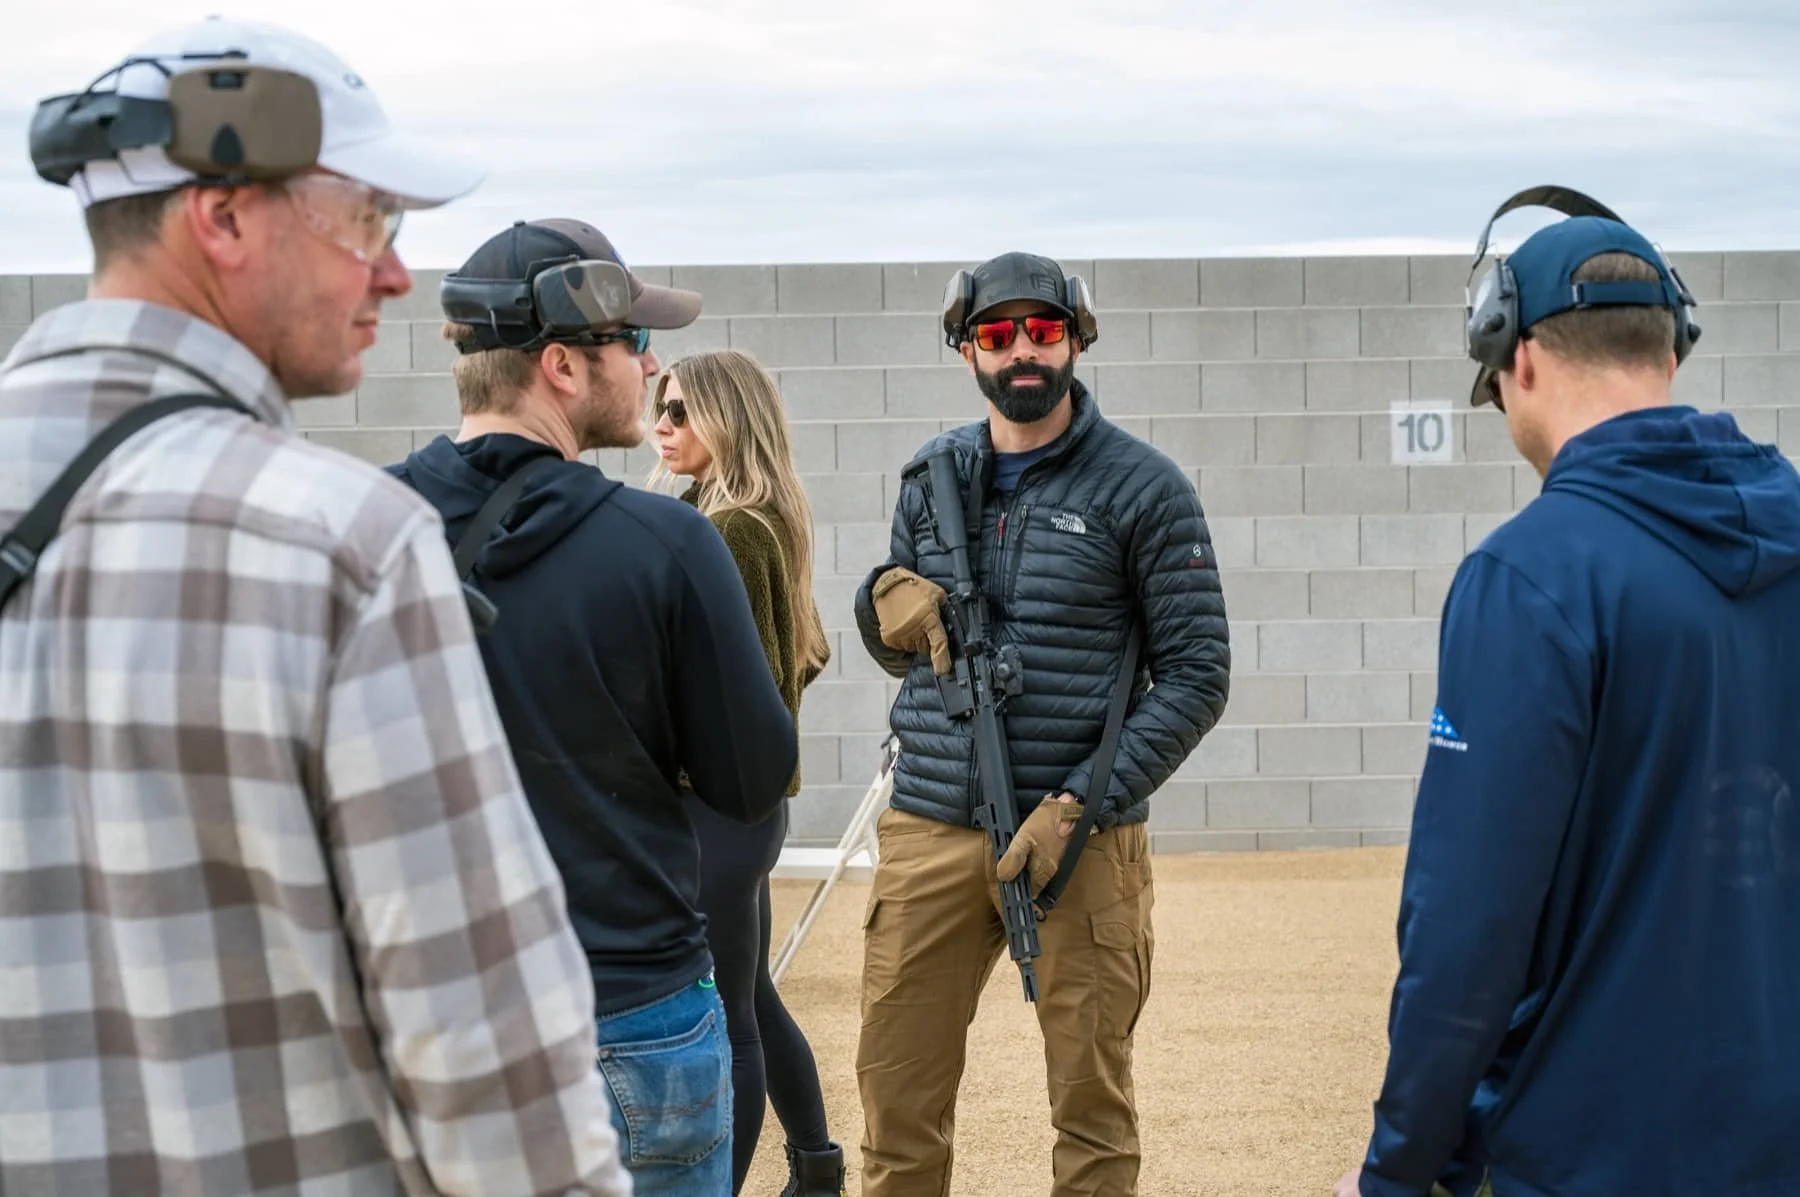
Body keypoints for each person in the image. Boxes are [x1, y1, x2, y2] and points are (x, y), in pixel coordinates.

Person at [0, 18, 633, 1197]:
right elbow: (488, 1054)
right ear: (224, 215)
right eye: (366, 219)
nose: (394, 272)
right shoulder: (339, 545)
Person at [1335, 196, 1800, 1197]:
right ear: (1672, 350)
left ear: (1520, 360)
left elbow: (1467, 930)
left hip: (1584, 1154)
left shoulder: (1531, 577)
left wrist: (1400, 1169)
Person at [384, 218, 799, 1196]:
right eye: (634, 342)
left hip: (428, 1018)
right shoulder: (669, 544)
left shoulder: (364, 525)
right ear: (563, 365)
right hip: (634, 1011)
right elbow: (751, 778)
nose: (651, 365)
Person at [851, 250, 1232, 1196]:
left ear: (1076, 338)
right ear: (966, 350)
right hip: (933, 823)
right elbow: (902, 636)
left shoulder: (1146, 489)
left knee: (1092, 1114)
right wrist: (880, 605)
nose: (1020, 349)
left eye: (1042, 330)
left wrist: (1079, 804)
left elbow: (1198, 674)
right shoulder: (930, 476)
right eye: (995, 333)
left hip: (1080, 839)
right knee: (896, 1107)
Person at [645, 348, 845, 1197]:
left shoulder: (732, 526)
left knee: (728, 1017)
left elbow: (746, 686)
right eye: (661, 403)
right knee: (752, 996)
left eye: (685, 409)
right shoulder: (745, 514)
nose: (664, 421)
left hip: (720, 810)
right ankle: (818, 1167)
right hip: (743, 810)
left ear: (730, 418)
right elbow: (804, 654)